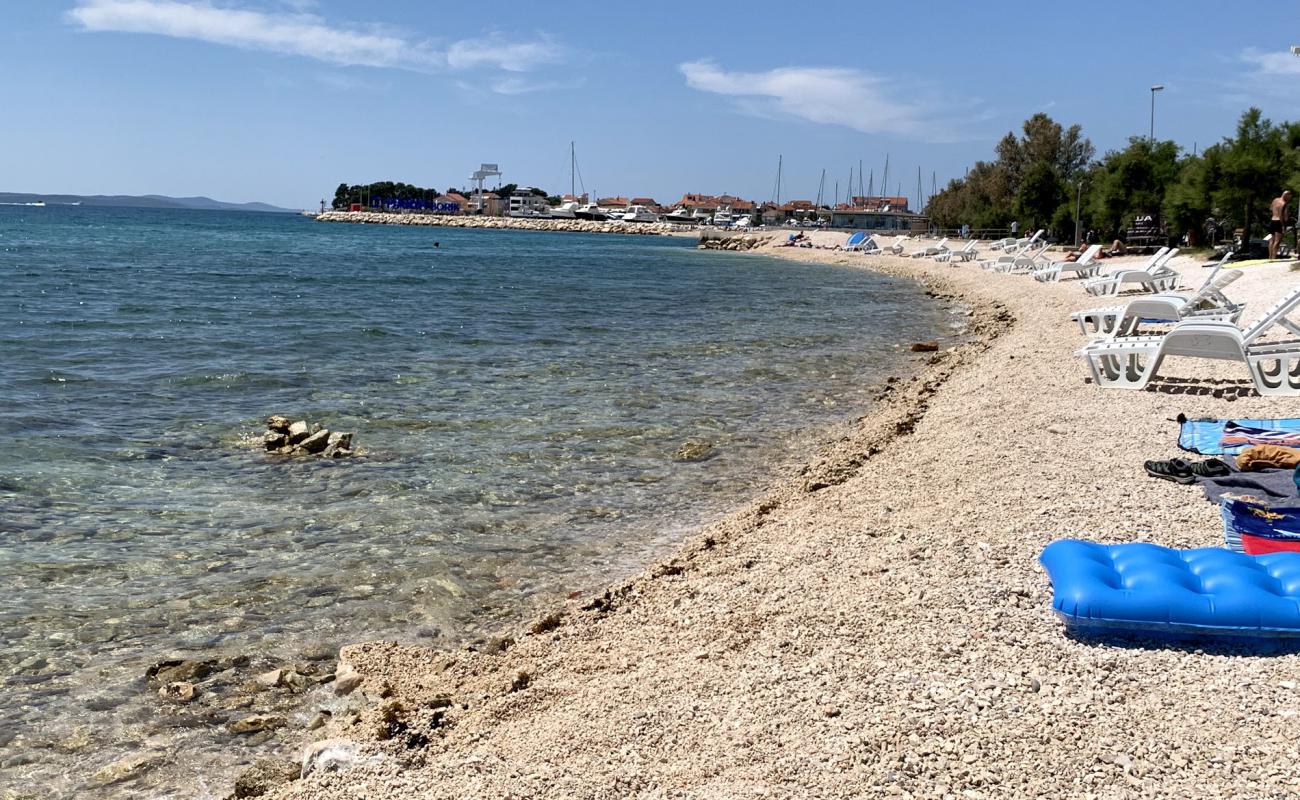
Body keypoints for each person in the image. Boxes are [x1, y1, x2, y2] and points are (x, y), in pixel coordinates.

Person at [1270, 190, 1292, 260]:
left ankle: (1270, 257)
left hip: (1272, 220)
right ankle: (1273, 257)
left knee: (1272, 240)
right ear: (1286, 195)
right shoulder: (1284, 203)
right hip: (1279, 222)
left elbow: (1271, 208)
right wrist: (1283, 226)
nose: (1289, 198)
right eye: (1289, 197)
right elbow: (1282, 216)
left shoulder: (1275, 200)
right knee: (1277, 241)